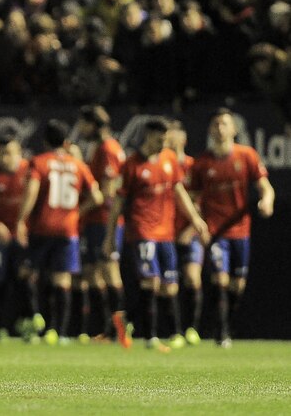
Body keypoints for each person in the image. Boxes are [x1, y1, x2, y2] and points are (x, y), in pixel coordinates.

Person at [104, 118, 208, 353]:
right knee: (150, 281)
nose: (163, 144)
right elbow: (118, 202)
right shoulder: (131, 164)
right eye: (159, 140)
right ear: (147, 137)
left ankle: (126, 320)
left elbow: (179, 190)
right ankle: (151, 337)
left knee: (169, 287)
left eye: (165, 140)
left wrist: (195, 219)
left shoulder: (169, 159)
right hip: (142, 231)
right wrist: (109, 237)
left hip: (166, 233)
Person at [190, 108, 274, 348]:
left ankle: (228, 322)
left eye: (224, 124)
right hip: (216, 233)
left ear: (234, 129)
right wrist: (198, 222)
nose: (219, 128)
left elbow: (265, 187)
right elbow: (192, 198)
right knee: (220, 279)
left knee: (238, 285)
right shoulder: (202, 163)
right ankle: (221, 331)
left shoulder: (246, 155)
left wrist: (266, 201)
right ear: (209, 129)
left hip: (241, 231)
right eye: (215, 124)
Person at [16, 119, 103, 346]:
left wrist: (21, 220)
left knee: (30, 273)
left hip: (42, 227)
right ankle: (59, 331)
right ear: (66, 142)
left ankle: (37, 318)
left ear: (45, 141)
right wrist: (76, 212)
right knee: (62, 280)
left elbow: (32, 192)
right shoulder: (78, 165)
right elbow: (97, 197)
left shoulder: (38, 162)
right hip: (67, 230)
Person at [0, 135, 42, 343]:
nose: (6, 158)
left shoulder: (30, 174)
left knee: (25, 282)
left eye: (10, 153)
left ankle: (28, 326)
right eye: (2, 153)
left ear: (19, 153)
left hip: (23, 237)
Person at [76, 105, 131, 348]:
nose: (80, 128)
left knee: (109, 271)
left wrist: (79, 211)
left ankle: (120, 329)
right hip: (95, 221)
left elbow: (108, 191)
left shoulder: (108, 149)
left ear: (94, 124)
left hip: (104, 220)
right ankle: (106, 329)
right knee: (92, 273)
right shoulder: (102, 148)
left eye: (83, 123)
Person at [165, 120, 203, 346]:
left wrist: (190, 228)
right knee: (168, 284)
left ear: (183, 138)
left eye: (173, 133)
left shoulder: (192, 165)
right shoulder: (163, 165)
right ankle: (175, 331)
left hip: (188, 233)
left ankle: (192, 329)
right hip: (166, 233)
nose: (169, 137)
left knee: (192, 278)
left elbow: (201, 201)